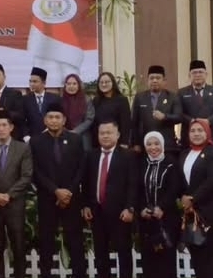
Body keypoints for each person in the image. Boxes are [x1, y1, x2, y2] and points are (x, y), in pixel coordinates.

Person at [29, 103, 86, 278]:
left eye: (57, 117)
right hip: (47, 198)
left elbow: (81, 168)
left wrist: (68, 192)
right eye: (50, 117)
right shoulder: (36, 141)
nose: (54, 120)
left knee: (75, 241)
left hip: (72, 198)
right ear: (45, 120)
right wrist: (55, 191)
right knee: (46, 241)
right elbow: (35, 171)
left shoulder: (76, 139)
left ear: (64, 120)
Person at [81, 120, 137, 278]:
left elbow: (133, 184)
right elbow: (86, 183)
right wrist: (86, 205)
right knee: (100, 254)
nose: (105, 136)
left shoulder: (128, 155)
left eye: (109, 133)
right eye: (102, 133)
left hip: (120, 213)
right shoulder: (91, 155)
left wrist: (130, 208)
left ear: (117, 135)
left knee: (123, 253)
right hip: (97, 212)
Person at [179, 120, 213, 278]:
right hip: (193, 217)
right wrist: (182, 197)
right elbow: (181, 181)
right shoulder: (184, 154)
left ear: (207, 132)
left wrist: (193, 198)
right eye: (192, 130)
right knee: (199, 261)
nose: (196, 134)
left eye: (200, 130)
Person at [0, 110, 32, 278]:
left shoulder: (22, 148)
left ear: (11, 127)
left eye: (4, 125)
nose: (1, 129)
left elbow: (26, 176)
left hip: (15, 204)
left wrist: (9, 195)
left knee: (18, 244)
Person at [138, 132, 182, 278]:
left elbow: (174, 188)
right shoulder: (141, 163)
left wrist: (161, 207)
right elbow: (136, 189)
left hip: (166, 219)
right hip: (146, 221)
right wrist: (142, 209)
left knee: (167, 262)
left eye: (156, 144)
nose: (153, 147)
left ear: (162, 145)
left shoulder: (171, 163)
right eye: (149, 144)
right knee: (149, 262)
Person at [132, 65, 183, 157]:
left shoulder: (172, 97)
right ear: (148, 80)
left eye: (158, 78)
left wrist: (165, 117)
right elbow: (134, 122)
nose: (154, 80)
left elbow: (179, 117)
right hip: (145, 145)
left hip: (167, 146)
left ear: (164, 81)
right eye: (151, 78)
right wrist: (136, 143)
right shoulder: (140, 97)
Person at [177, 60, 213, 150]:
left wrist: (208, 121)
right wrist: (192, 121)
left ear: (206, 74)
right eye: (194, 72)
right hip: (190, 135)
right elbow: (179, 112)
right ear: (189, 75)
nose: (197, 75)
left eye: (200, 72)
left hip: (211, 134)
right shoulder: (182, 92)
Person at [90, 72, 132, 150]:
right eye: (101, 82)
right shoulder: (96, 101)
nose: (104, 84)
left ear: (113, 83)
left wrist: (124, 142)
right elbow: (94, 123)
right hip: (99, 142)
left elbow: (126, 123)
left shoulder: (122, 100)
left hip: (117, 141)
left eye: (107, 82)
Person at [20, 67, 63, 140]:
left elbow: (59, 117)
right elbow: (22, 120)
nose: (32, 84)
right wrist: (26, 136)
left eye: (35, 81)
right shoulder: (25, 99)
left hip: (51, 136)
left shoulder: (55, 99)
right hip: (31, 138)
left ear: (44, 83)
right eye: (30, 81)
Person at [61, 74, 94, 146]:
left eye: (74, 84)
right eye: (69, 84)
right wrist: (65, 131)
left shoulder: (86, 100)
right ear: (65, 85)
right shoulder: (60, 100)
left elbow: (89, 119)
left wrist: (75, 131)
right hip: (64, 135)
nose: (71, 86)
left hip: (83, 136)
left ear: (79, 85)